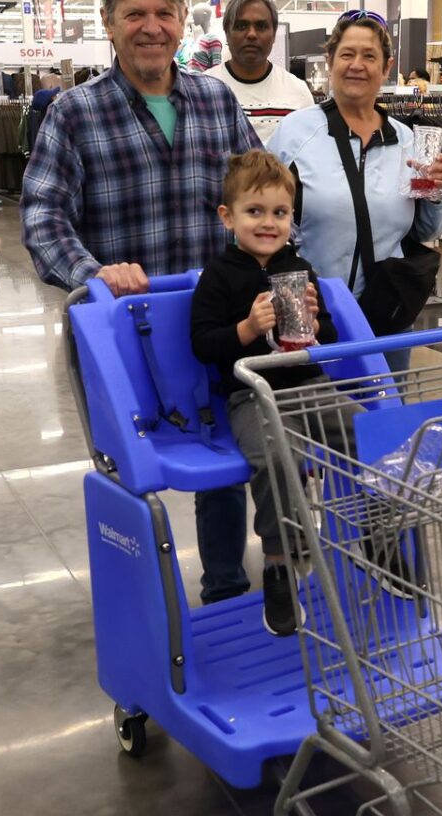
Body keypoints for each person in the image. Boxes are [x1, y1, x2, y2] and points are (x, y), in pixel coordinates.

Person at [24, 0, 261, 605]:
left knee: (226, 459)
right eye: (134, 13)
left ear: (183, 20)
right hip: (125, 340)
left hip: (216, 327)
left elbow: (261, 194)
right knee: (128, 477)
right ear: (108, 23)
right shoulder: (73, 114)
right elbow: (44, 220)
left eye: (164, 12)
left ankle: (227, 593)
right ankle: (146, 625)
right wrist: (95, 273)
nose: (151, 27)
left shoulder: (216, 102)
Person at [190, 150, 336, 634]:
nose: (269, 223)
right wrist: (248, 328)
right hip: (250, 394)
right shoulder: (218, 275)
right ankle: (278, 562)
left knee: (369, 431)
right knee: (275, 458)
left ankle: (379, 531)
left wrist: (315, 322)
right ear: (227, 217)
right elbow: (204, 345)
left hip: (309, 385)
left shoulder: (301, 268)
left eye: (280, 213)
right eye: (255, 212)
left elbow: (329, 340)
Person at [268, 11, 442, 373]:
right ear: (331, 61)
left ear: (386, 67)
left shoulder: (406, 139)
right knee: (318, 422)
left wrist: (435, 193)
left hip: (387, 313)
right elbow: (260, 217)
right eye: (347, 54)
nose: (357, 65)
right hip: (315, 314)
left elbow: (425, 232)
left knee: (384, 416)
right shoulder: (295, 134)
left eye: (369, 56)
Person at [205, 0, 316, 145]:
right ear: (227, 32)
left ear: (274, 34)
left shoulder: (298, 92)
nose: (251, 34)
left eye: (261, 26)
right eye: (241, 26)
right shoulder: (201, 92)